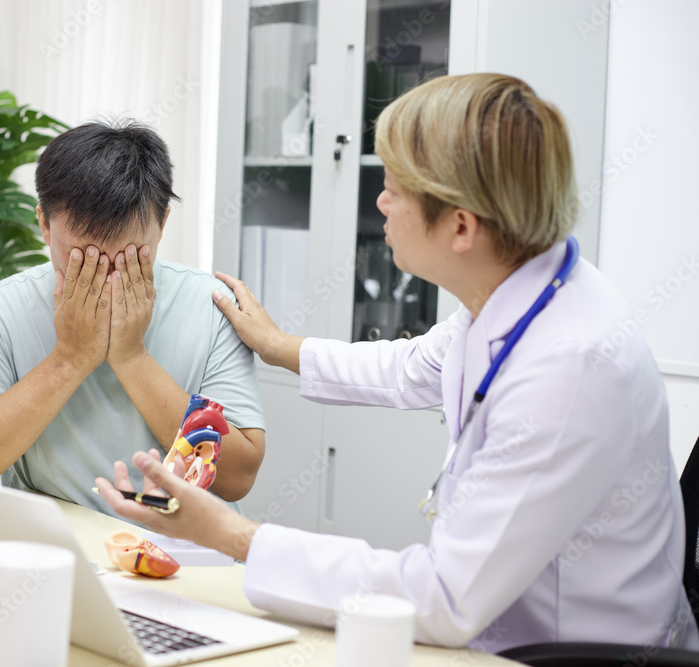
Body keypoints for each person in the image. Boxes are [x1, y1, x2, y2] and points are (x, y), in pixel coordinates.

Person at [95, 73, 699, 652]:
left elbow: (445, 598)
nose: (379, 200)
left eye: (395, 188)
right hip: (497, 625)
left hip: (567, 652)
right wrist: (278, 345)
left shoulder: (570, 370)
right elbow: (411, 368)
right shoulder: (522, 283)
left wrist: (229, 534)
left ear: (461, 226)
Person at [0, 121, 266, 516]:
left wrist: (132, 358)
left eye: (131, 256)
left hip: (186, 554)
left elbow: (238, 479)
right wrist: (70, 357)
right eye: (83, 258)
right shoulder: (0, 310)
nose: (107, 277)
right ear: (45, 226)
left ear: (163, 224)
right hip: (56, 548)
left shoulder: (212, 307)